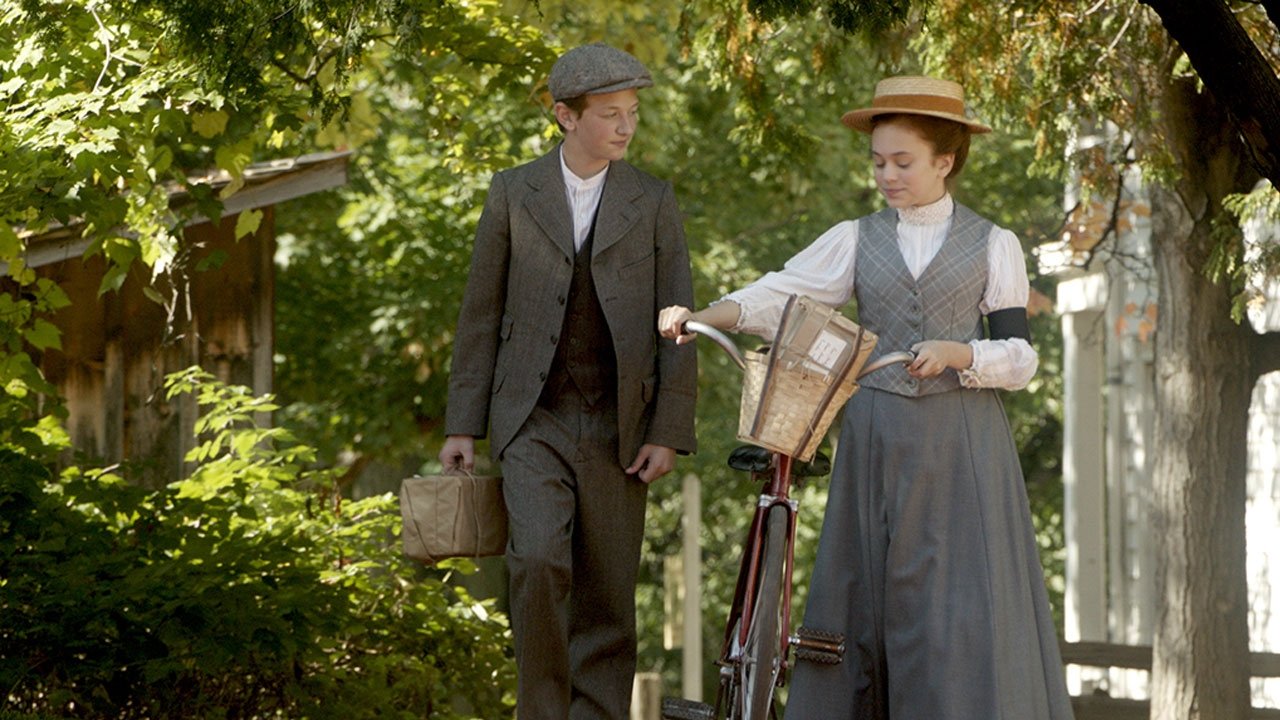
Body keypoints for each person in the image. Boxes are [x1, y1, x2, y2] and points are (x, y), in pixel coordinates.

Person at [658, 76, 1073, 719]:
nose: (887, 175)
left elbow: (1020, 359)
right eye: (878, 161)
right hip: (875, 432)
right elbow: (782, 295)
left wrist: (961, 353)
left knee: (951, 601)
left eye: (902, 162)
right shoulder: (856, 236)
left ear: (946, 160)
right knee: (865, 591)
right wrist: (704, 313)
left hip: (960, 444)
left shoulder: (995, 244)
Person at [439, 42, 698, 720]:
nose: (625, 126)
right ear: (564, 115)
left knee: (608, 589)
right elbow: (479, 313)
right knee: (537, 565)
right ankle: (543, 711)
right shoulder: (511, 194)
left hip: (621, 425)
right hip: (531, 417)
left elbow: (680, 319)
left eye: (632, 113)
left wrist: (668, 431)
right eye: (609, 113)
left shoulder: (653, 201)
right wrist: (463, 423)